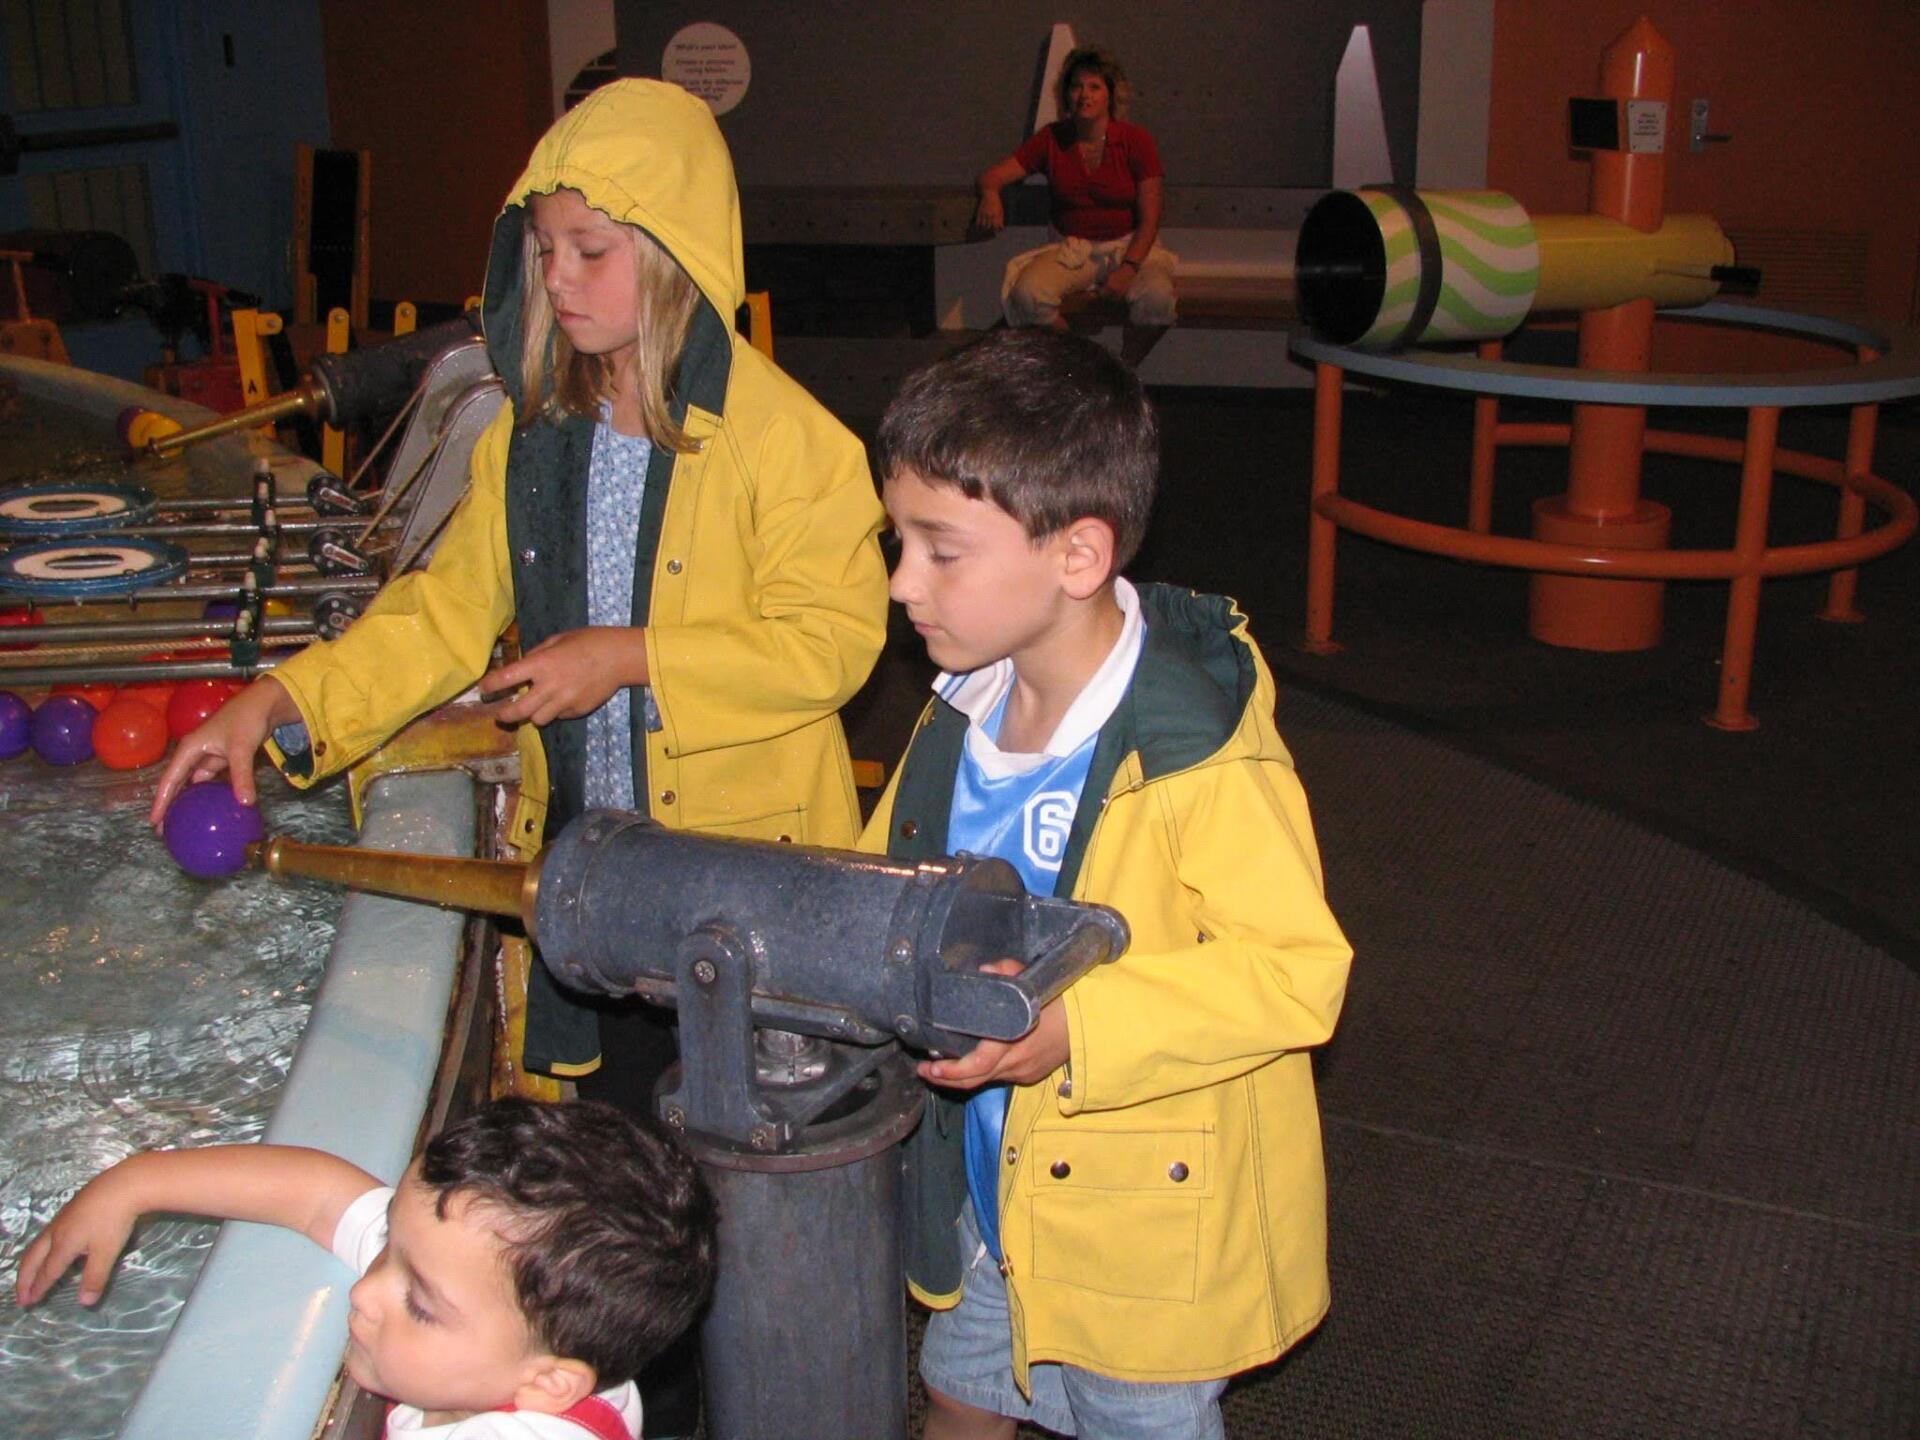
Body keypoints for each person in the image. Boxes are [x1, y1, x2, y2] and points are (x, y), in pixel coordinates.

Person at [150, 77, 886, 1436]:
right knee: (618, 1202)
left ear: (675, 256)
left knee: (749, 1197)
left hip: (741, 898)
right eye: (543, 250)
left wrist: (633, 655)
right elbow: (440, 612)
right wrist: (283, 702)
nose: (558, 278)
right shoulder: (533, 435)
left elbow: (833, 643)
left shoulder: (796, 446)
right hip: (594, 881)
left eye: (591, 251)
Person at [865, 328, 1353, 1440]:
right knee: (960, 1396)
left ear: (1078, 556)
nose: (902, 583)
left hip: (1139, 1225)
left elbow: (1297, 973)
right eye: (899, 540)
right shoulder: (961, 713)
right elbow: (891, 883)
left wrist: (1075, 1028)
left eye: (941, 550)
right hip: (990, 1193)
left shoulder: (1192, 747)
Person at [15, 1099, 718, 1440]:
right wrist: (135, 1183)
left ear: (548, 1385)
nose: (366, 1288)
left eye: (421, 1306)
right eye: (387, 1246)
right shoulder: (498, 1289)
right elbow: (318, 1196)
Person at [973, 46, 1177, 360]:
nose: (1084, 95)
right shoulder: (1052, 138)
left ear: (1110, 95)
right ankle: (1087, 361)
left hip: (1129, 246)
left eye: (1094, 87)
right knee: (1027, 295)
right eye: (1076, 87)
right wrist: (990, 195)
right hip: (1073, 249)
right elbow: (992, 176)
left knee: (1158, 300)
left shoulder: (1136, 141)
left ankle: (1124, 368)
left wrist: (1128, 268)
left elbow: (1151, 218)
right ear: (1066, 95)